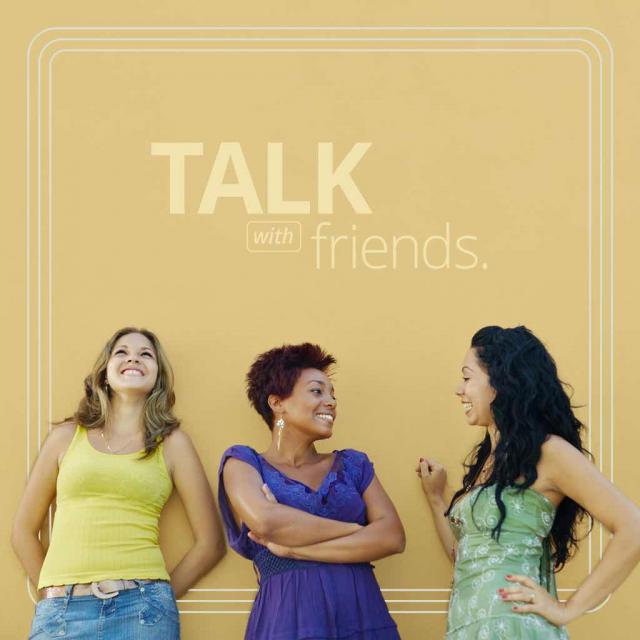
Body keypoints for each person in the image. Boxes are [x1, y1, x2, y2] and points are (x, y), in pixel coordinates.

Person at [417, 325, 640, 639]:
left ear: (500, 383)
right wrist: (437, 500)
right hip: (467, 628)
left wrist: (568, 608)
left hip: (513, 626)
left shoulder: (548, 452)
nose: (459, 389)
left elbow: (633, 526)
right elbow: (464, 555)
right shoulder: (488, 462)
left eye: (467, 378)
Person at [12, 327, 226, 639]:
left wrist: (157, 599)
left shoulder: (173, 444)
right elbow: (23, 532)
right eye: (122, 352)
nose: (133, 359)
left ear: (158, 375)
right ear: (104, 372)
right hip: (61, 614)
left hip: (143, 612)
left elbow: (211, 543)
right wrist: (52, 596)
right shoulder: (65, 437)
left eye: (146, 354)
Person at [218, 342, 405, 640]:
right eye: (317, 391)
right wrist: (356, 530)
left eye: (332, 394)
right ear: (277, 402)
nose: (330, 402)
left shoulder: (353, 464)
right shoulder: (243, 462)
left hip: (361, 613)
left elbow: (392, 537)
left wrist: (292, 547)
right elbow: (266, 522)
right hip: (287, 619)